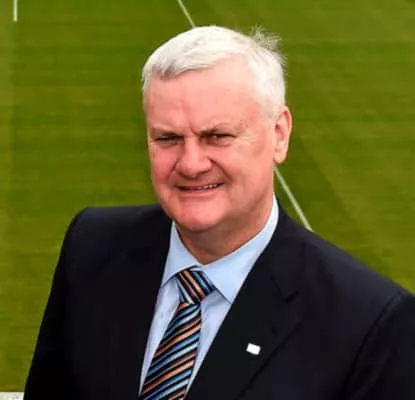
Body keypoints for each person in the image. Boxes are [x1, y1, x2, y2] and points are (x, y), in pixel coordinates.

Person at [24, 25, 415, 400]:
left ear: (279, 134)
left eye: (218, 136)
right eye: (168, 138)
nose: (191, 164)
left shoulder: (367, 323)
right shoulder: (91, 248)